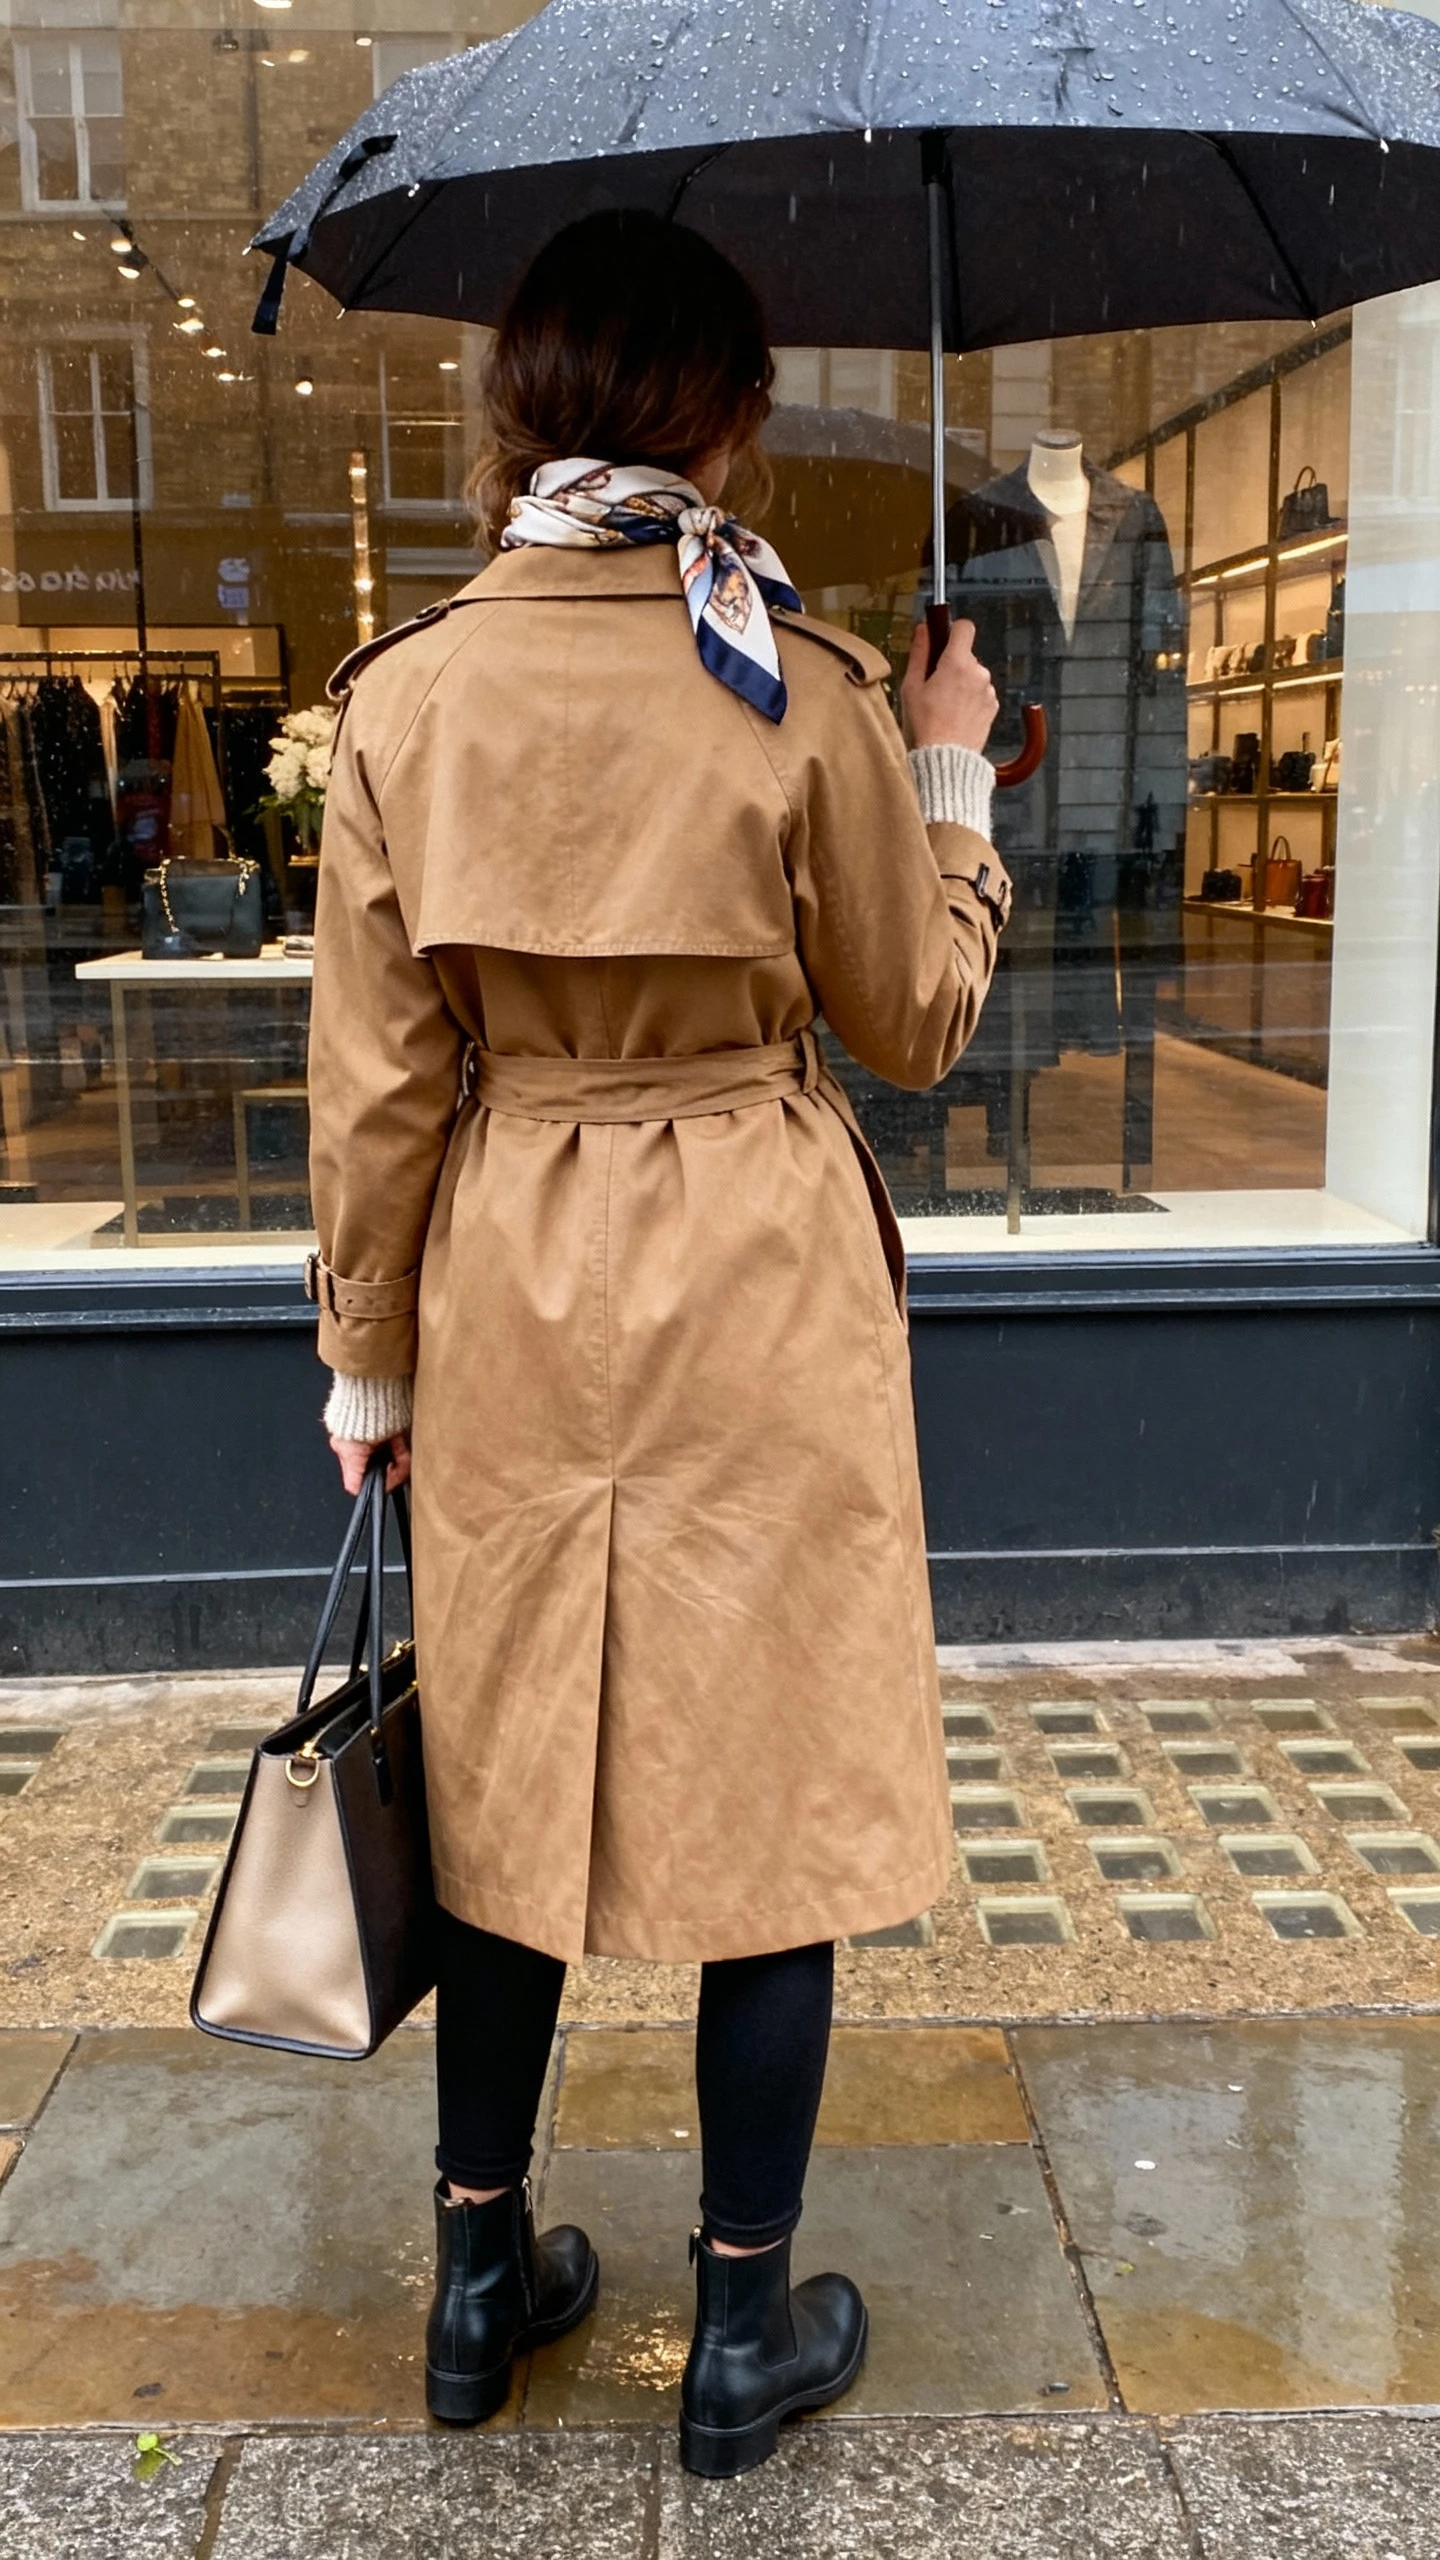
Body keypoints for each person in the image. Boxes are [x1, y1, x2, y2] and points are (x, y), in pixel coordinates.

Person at [306, 207, 1008, 2479]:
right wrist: (949, 773)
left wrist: (370, 1363)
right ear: (719, 414)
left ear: (527, 406)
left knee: (505, 1764)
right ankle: (737, 2325)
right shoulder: (794, 685)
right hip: (752, 1264)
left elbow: (379, 1077)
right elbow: (910, 1023)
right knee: (767, 1774)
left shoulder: (406, 694)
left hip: (516, 1253)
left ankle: (478, 2270)